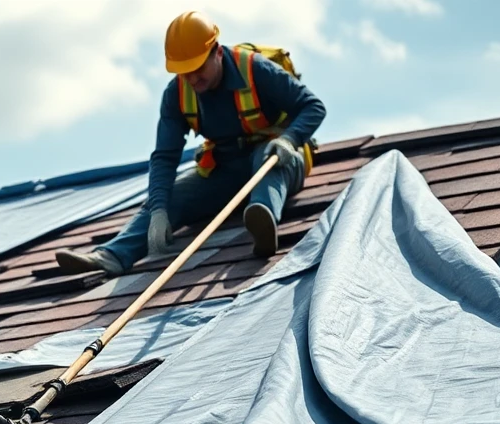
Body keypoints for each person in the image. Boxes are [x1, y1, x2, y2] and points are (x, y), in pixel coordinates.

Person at [56, 10, 326, 276]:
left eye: (198, 69)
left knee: (266, 159)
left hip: (280, 159)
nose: (193, 79)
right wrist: (160, 209)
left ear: (217, 52)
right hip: (226, 168)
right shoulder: (177, 94)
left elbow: (313, 106)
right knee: (171, 194)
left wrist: (289, 139)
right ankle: (112, 255)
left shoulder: (256, 69)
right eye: (185, 72)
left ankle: (263, 217)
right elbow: (164, 157)